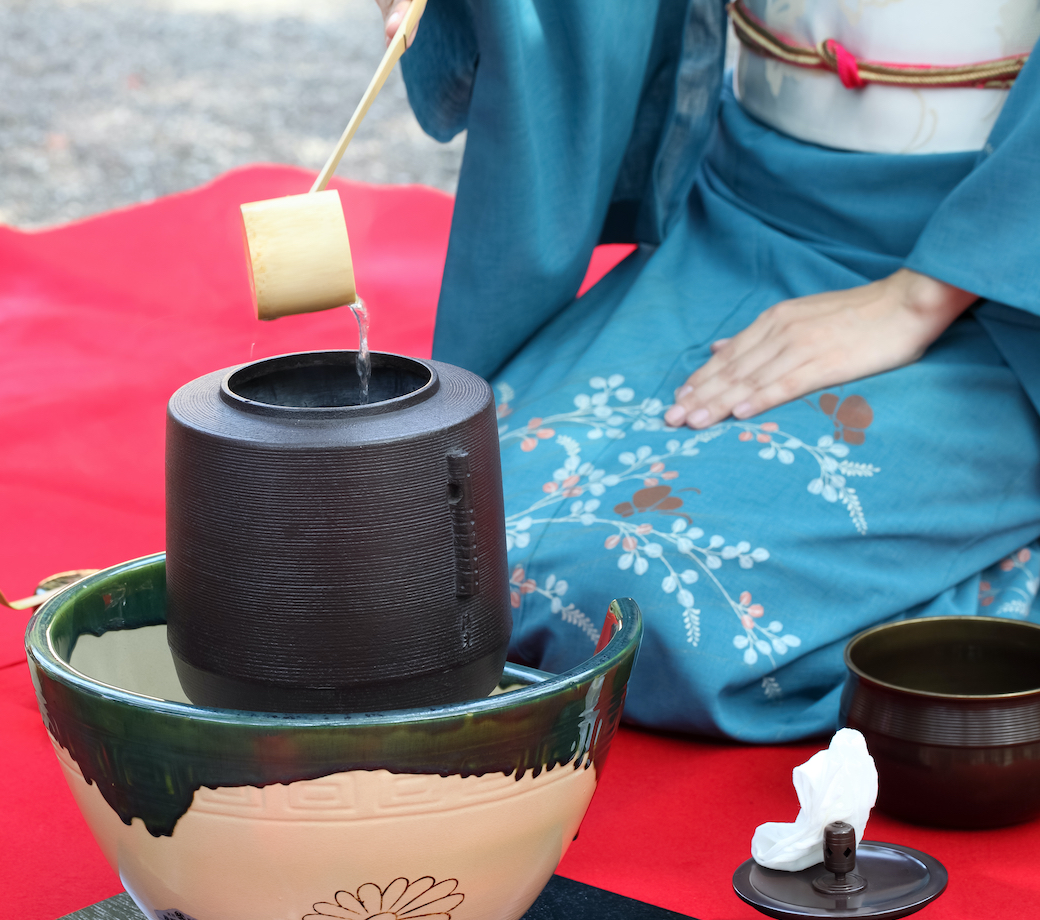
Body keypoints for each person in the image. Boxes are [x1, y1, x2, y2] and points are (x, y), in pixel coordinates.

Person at [374, 0, 1040, 741]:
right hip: (745, 205)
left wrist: (920, 299)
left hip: (1004, 271)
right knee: (433, 525)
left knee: (648, 609)